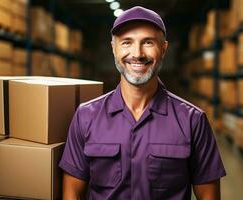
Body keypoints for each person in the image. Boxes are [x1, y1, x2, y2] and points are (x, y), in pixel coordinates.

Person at [59, 6, 226, 200]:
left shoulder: (192, 121)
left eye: (148, 42)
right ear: (114, 48)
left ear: (163, 49)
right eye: (126, 42)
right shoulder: (86, 116)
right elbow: (72, 192)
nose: (137, 53)